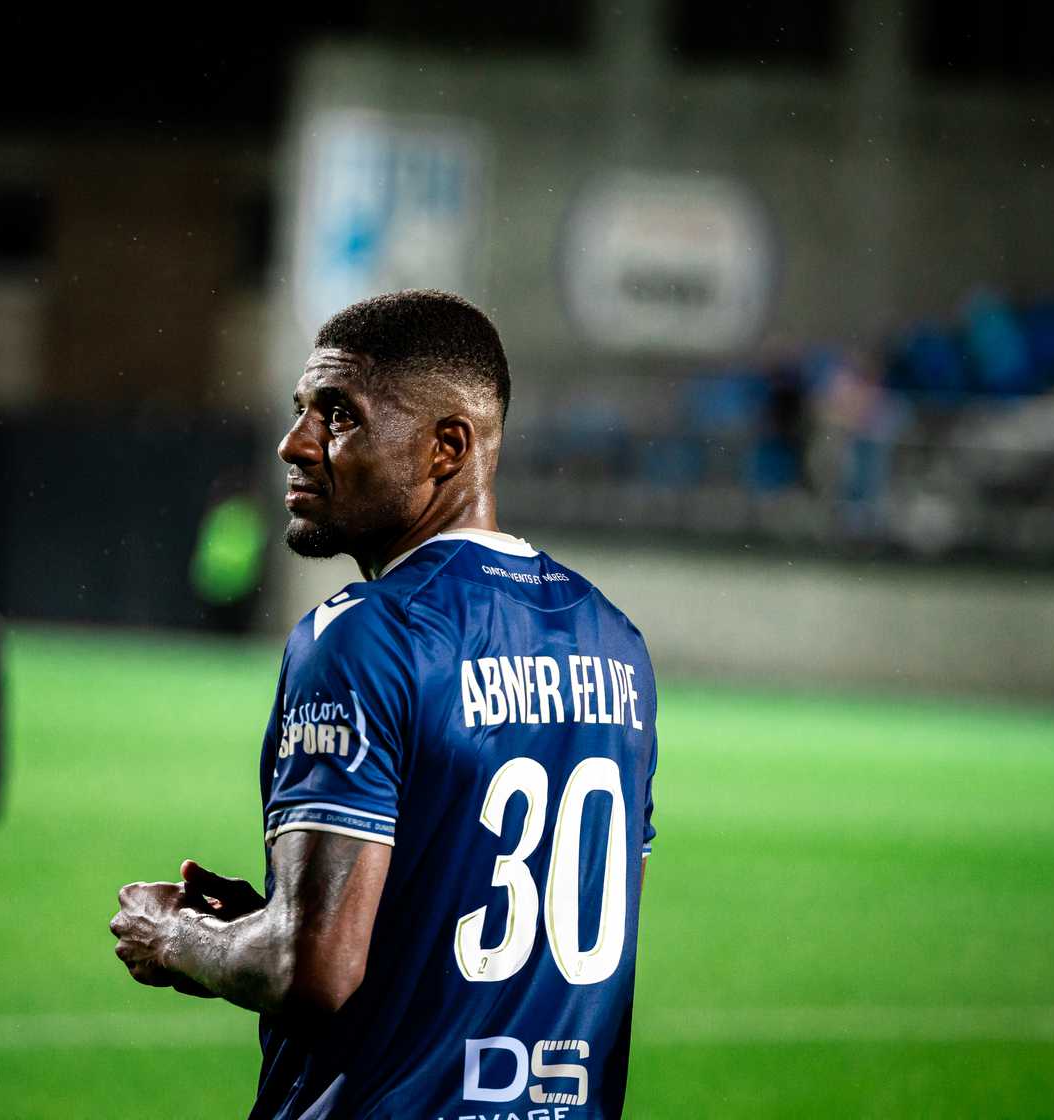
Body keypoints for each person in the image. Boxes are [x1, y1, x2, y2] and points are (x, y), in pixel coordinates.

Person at [111, 290, 659, 1118]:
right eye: (301, 410)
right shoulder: (614, 640)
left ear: (447, 447)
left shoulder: (367, 633)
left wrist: (176, 937)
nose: (296, 443)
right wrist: (272, 920)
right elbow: (519, 940)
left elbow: (311, 971)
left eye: (338, 416)